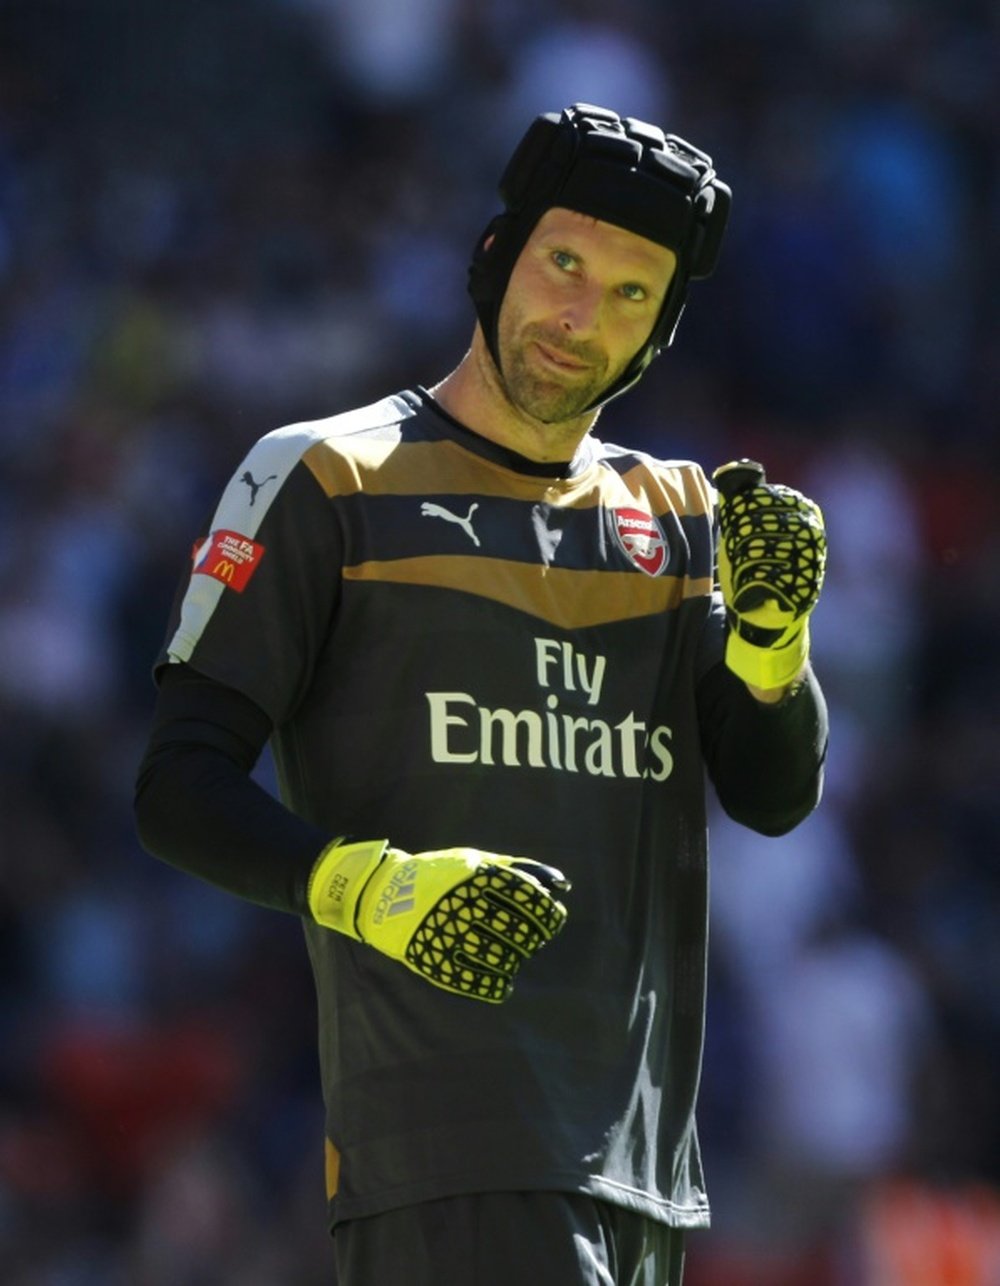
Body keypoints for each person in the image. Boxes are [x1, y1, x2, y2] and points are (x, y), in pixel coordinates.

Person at [135, 103, 829, 1286]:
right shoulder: (326, 472)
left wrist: (772, 644)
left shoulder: (677, 515)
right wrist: (370, 887)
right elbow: (177, 783)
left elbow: (770, 796)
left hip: (646, 1169)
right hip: (451, 1152)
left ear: (659, 330)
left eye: (628, 293)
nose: (579, 316)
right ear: (496, 257)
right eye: (564, 263)